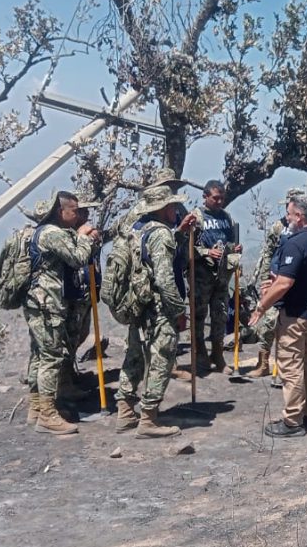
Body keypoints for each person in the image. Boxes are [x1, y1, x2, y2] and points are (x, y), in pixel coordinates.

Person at [249, 194, 307, 438]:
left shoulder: (296, 243)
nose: (287, 218)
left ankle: (292, 421)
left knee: (291, 367)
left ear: (299, 216)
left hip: (295, 315)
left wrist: (261, 307)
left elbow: (285, 282)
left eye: (289, 213)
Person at [115, 185, 192, 438]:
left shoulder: (137, 228)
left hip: (138, 301)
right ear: (162, 208)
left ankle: (125, 410)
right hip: (159, 306)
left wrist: (179, 234)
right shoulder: (161, 234)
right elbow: (164, 278)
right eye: (172, 206)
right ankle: (148, 418)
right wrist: (179, 310)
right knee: (162, 356)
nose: (175, 210)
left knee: (134, 354)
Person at [23, 191, 100, 435]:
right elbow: (77, 258)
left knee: (39, 353)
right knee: (51, 356)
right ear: (61, 212)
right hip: (48, 303)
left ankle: (36, 407)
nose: (78, 214)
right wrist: (84, 238)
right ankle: (47, 414)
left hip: (39, 301)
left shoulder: (43, 232)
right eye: (74, 210)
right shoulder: (52, 233)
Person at [247, 187, 307, 378]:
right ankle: (263, 362)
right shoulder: (277, 228)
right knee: (268, 324)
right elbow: (267, 254)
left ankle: (287, 367)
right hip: (276, 282)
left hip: (297, 287)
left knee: (292, 329)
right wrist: (265, 280)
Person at [190, 180, 242, 374]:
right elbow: (187, 247)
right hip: (202, 275)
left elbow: (230, 241)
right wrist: (205, 252)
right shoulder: (196, 217)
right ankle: (200, 352)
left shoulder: (226, 217)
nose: (219, 201)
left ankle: (218, 354)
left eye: (222, 198)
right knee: (199, 314)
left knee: (220, 314)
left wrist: (235, 249)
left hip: (222, 275)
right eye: (215, 198)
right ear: (205, 197)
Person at [58, 198, 102, 401]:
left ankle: (69, 375)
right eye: (82, 212)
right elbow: (73, 257)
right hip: (71, 295)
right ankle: (63, 383)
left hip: (86, 292)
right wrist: (83, 236)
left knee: (81, 333)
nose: (86, 216)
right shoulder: (65, 234)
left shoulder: (85, 232)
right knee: (70, 337)